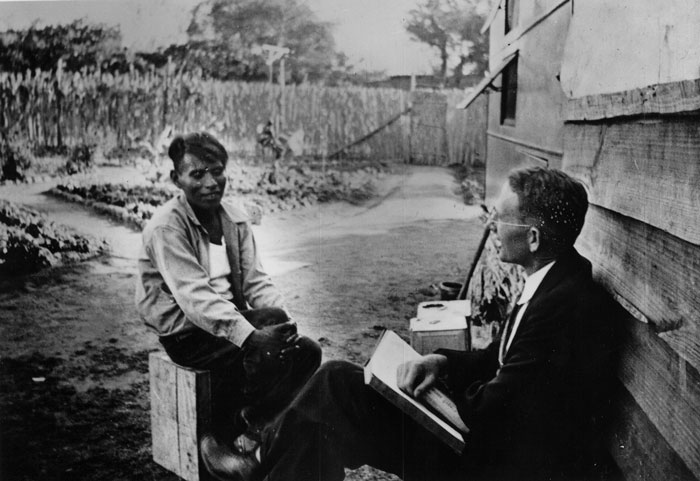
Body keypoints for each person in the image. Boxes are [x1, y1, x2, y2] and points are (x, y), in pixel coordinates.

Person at [199, 166, 620, 481]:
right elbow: (500, 360)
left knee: (334, 395)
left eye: (498, 218)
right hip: (493, 442)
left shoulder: (563, 306)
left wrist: (437, 400)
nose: (490, 226)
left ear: (532, 238)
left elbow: (497, 411)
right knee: (336, 390)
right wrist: (441, 363)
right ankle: (264, 462)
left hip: (493, 463)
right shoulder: (554, 279)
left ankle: (258, 462)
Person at [135, 131, 321, 446]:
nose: (210, 182)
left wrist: (284, 323)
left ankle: (254, 421)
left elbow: (256, 280)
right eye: (197, 174)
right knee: (265, 351)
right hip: (186, 332)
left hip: (231, 321)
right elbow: (195, 299)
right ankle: (229, 432)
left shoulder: (234, 219)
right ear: (176, 178)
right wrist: (252, 336)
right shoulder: (167, 227)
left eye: (217, 171)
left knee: (308, 351)